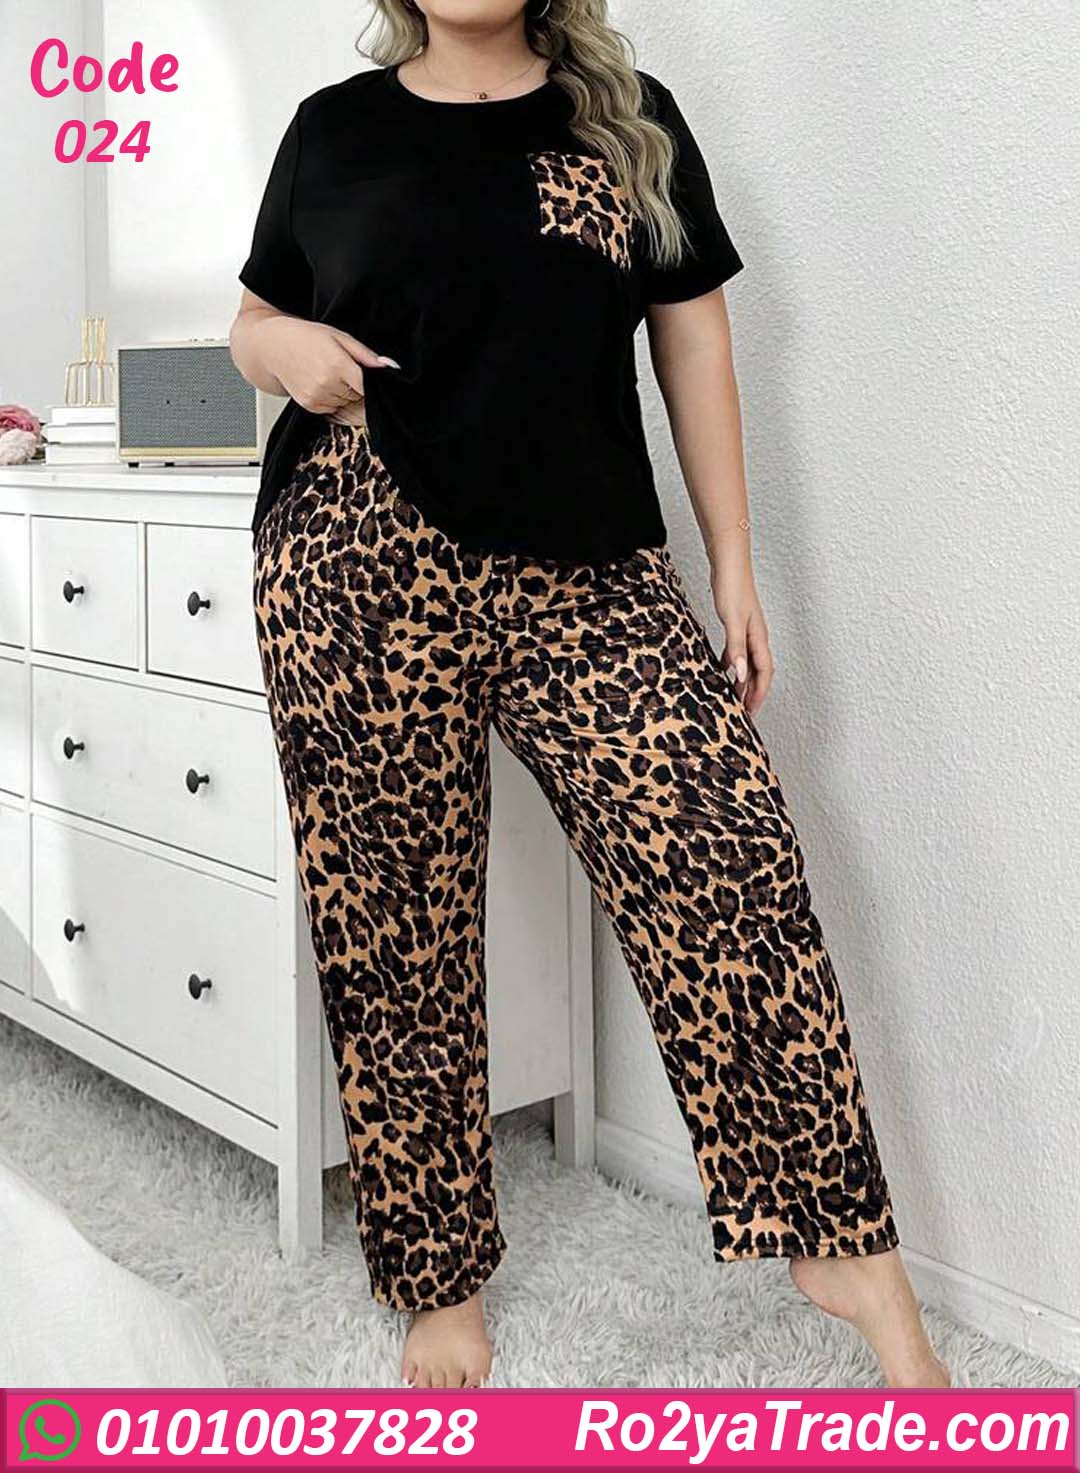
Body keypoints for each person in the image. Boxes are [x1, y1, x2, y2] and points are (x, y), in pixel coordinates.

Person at [230, 0, 949, 1393]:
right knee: (394, 918)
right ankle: (437, 1276)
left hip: (591, 570)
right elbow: (254, 315)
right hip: (357, 553)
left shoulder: (628, 118)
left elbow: (694, 341)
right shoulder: (334, 130)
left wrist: (733, 564)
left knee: (727, 856)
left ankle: (842, 1242)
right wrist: (283, 355)